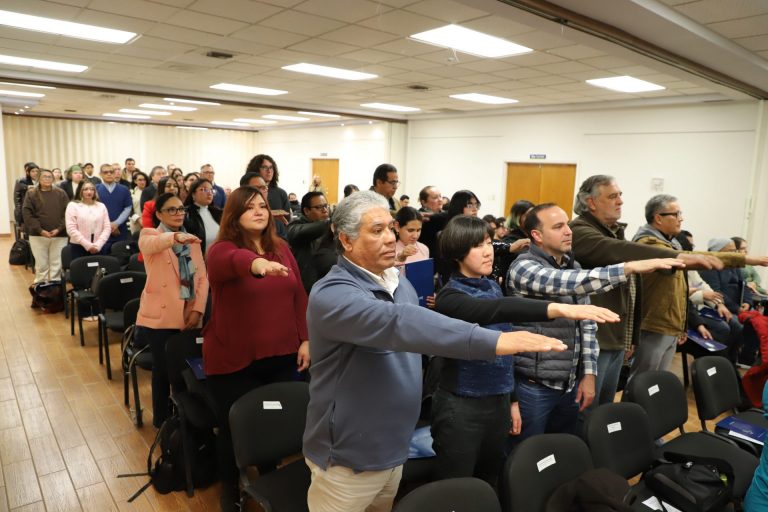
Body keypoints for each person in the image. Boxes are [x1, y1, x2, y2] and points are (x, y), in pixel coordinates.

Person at [303, 191, 589, 512]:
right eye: (376, 230)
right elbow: (400, 323)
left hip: (393, 447)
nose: (390, 238)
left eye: (390, 228)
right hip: (348, 458)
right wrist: (494, 341)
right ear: (346, 240)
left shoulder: (397, 282)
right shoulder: (333, 294)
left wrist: (551, 310)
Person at [431, 214, 619, 487]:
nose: (487, 251)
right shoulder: (450, 297)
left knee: (490, 478)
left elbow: (505, 356)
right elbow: (496, 310)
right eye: (477, 246)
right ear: (457, 253)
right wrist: (559, 308)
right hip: (461, 406)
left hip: (497, 402)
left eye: (488, 243)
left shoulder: (491, 285)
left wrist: (513, 402)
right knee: (455, 484)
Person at [507, 203, 684, 442]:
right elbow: (567, 281)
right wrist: (628, 267)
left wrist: (589, 373)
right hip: (534, 385)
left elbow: (587, 324)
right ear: (537, 235)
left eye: (567, 224)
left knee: (563, 448)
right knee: (527, 452)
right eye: (558, 227)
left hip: (568, 383)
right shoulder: (523, 267)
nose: (568, 231)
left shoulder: (572, 265)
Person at [569, 175, 722, 408]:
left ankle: (629, 427)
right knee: (587, 410)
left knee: (605, 406)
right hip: (596, 338)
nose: (620, 201)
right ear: (591, 202)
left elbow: (633, 291)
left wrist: (631, 336)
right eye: (613, 196)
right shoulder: (581, 230)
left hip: (616, 335)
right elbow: (620, 251)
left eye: (620, 195)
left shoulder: (614, 232)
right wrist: (678, 256)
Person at [203, 186, 309, 511]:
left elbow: (299, 296)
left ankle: (268, 479)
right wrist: (257, 264)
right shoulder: (220, 250)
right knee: (233, 427)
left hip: (281, 356)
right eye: (249, 208)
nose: (259, 211)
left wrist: (306, 339)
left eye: (262, 205)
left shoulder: (282, 248)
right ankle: (230, 489)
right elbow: (233, 261)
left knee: (272, 421)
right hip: (235, 361)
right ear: (234, 216)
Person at [628, 194, 760, 383]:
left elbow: (679, 291)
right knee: (642, 381)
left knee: (656, 382)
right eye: (676, 214)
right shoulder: (647, 243)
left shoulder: (671, 243)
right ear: (658, 218)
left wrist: (681, 325)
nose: (681, 218)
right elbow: (690, 259)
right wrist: (745, 259)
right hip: (653, 323)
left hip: (668, 323)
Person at [136, 193, 208, 428]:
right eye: (171, 210)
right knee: (163, 370)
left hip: (188, 312)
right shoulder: (149, 234)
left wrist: (197, 310)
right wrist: (176, 237)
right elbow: (153, 244)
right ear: (159, 214)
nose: (178, 214)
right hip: (160, 316)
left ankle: (185, 419)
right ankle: (163, 421)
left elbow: (202, 278)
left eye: (181, 209)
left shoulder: (192, 240)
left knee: (186, 370)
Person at [22, 168, 69, 285]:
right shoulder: (31, 193)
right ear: (39, 178)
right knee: (41, 265)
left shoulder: (61, 193)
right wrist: (40, 230)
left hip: (59, 234)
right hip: (38, 235)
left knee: (57, 264)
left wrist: (59, 228)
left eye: (50, 176)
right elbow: (27, 214)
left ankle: (55, 289)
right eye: (44, 176)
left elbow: (67, 213)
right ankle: (40, 289)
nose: (47, 178)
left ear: (53, 179)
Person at [287, 191, 336, 293]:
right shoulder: (295, 226)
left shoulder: (331, 228)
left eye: (326, 206)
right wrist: (333, 222)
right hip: (306, 287)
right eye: (319, 207)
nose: (325, 210)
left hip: (329, 284)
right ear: (306, 211)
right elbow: (298, 232)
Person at [65, 181, 111, 260]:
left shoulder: (101, 206)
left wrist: (98, 245)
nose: (89, 192)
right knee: (81, 268)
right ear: (80, 191)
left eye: (92, 189)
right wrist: (88, 245)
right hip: (79, 246)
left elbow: (107, 227)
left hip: (99, 247)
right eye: (85, 189)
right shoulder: (73, 206)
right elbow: (71, 229)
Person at [96, 163, 133, 254]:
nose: (109, 174)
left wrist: (116, 223)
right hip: (101, 231)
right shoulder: (95, 189)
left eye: (111, 172)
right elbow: (93, 210)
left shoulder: (124, 189)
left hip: (120, 230)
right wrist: (109, 226)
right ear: (100, 174)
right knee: (103, 258)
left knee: (121, 257)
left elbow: (128, 208)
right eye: (105, 172)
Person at [183, 178, 222, 256]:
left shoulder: (218, 212)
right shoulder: (185, 214)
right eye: (204, 189)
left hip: (219, 256)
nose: (209, 193)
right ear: (193, 194)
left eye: (211, 190)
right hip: (197, 258)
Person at [14, 162, 39, 228]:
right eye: (33, 171)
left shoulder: (41, 180)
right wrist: (19, 211)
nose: (35, 173)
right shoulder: (22, 181)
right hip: (27, 207)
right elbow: (17, 197)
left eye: (37, 171)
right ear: (28, 172)